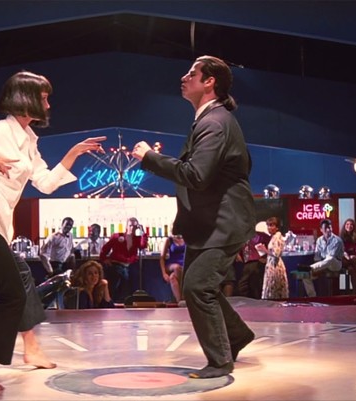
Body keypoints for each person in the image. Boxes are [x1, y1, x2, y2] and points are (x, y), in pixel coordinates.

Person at [0, 70, 106, 391]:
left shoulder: (29, 140)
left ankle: (32, 348)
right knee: (13, 294)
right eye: (44, 98)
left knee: (22, 277)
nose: (48, 104)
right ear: (27, 98)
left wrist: (73, 153)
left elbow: (45, 183)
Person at [132, 55, 256, 379]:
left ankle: (219, 361)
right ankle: (236, 336)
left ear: (209, 82)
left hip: (223, 222)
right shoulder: (213, 120)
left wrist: (150, 158)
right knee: (197, 286)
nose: (184, 78)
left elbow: (196, 175)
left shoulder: (214, 123)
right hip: (211, 223)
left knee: (198, 288)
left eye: (192, 73)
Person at [99, 217, 149, 303]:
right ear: (126, 226)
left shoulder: (137, 238)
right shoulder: (117, 236)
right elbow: (105, 249)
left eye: (135, 226)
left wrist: (142, 232)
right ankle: (111, 304)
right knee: (114, 288)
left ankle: (123, 304)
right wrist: (104, 259)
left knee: (127, 289)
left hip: (128, 266)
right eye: (130, 226)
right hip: (116, 265)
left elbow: (143, 245)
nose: (132, 228)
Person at [302, 219, 344, 297]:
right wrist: (319, 269)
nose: (328, 230)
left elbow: (331, 256)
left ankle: (310, 268)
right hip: (322, 265)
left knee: (330, 258)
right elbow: (317, 257)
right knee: (305, 276)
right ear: (321, 229)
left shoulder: (337, 240)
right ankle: (313, 297)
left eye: (329, 227)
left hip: (335, 264)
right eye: (326, 228)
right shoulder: (319, 240)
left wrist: (320, 268)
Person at [236, 227, 270, 299]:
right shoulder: (242, 237)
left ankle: (256, 301)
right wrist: (238, 255)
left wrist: (265, 257)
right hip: (246, 263)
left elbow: (270, 247)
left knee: (254, 285)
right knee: (244, 285)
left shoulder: (261, 236)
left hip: (256, 262)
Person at [260, 217, 289, 300]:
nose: (269, 227)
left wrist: (264, 250)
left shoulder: (277, 237)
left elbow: (276, 254)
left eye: (271, 225)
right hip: (272, 264)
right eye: (268, 225)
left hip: (275, 266)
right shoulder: (274, 237)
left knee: (274, 289)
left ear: (277, 227)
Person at [340, 218, 356, 296]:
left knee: (352, 270)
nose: (349, 226)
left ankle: (355, 294)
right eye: (347, 224)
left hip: (353, 261)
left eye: (351, 224)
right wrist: (348, 257)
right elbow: (342, 251)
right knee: (352, 259)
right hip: (344, 260)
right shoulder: (341, 237)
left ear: (354, 227)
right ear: (344, 226)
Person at [159, 232, 186, 303]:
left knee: (172, 277)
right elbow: (162, 258)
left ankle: (179, 301)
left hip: (183, 265)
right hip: (171, 264)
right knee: (177, 267)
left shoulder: (186, 239)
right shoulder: (169, 240)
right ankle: (183, 296)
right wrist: (164, 273)